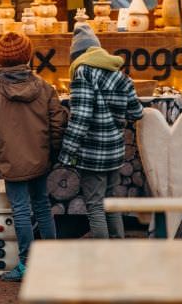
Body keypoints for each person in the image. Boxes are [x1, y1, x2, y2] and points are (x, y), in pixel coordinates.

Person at [0, 32, 68, 282]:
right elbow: (58, 121)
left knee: (21, 211)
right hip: (40, 159)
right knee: (42, 207)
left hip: (10, 161)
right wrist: (53, 150)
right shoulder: (44, 87)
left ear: (0, 60)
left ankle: (26, 264)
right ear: (28, 55)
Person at [58, 24, 143, 238]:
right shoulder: (121, 76)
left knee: (95, 205)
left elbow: (81, 117)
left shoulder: (83, 73)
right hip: (115, 151)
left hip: (93, 153)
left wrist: (67, 153)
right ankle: (117, 249)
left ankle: (104, 258)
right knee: (111, 202)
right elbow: (137, 112)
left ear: (78, 55)